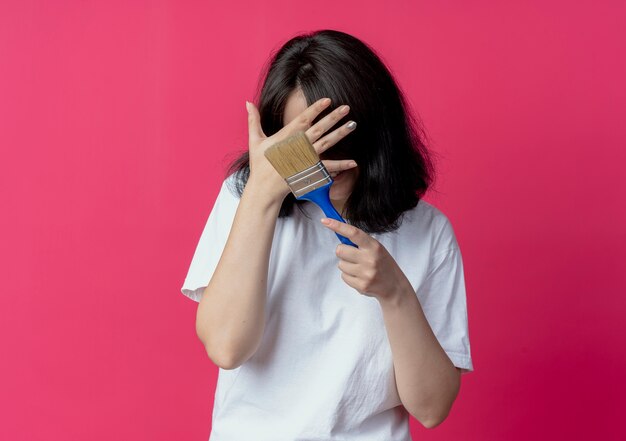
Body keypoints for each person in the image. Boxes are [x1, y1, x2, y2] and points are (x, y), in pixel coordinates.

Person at [181, 29, 474, 441]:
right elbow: (227, 347)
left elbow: (431, 409)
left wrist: (396, 294)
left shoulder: (429, 232)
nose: (324, 167)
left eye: (338, 146)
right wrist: (262, 195)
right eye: (304, 146)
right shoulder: (243, 198)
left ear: (376, 139)